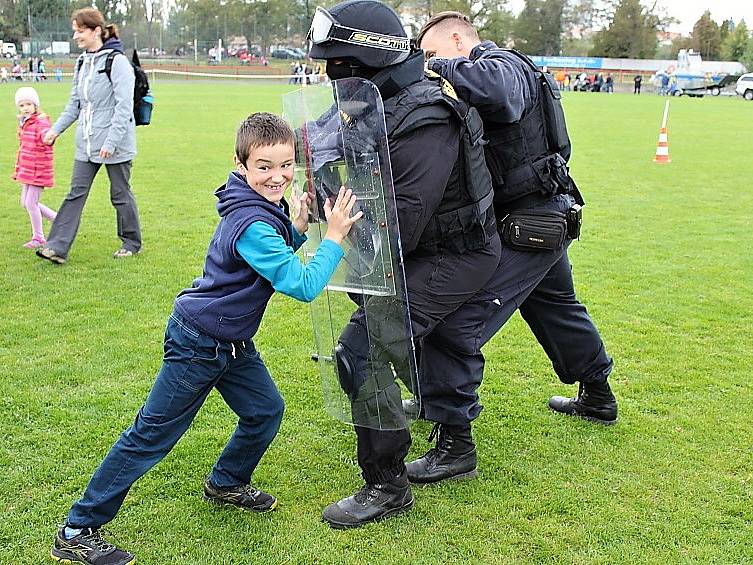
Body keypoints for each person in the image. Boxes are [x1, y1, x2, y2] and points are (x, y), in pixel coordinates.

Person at [50, 112, 363, 565]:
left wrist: (295, 229)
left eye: (286, 164)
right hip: (199, 342)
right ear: (241, 165)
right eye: (264, 166)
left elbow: (269, 257)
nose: (277, 177)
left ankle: (227, 481)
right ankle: (77, 529)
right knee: (150, 435)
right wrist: (332, 236)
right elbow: (302, 284)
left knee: (264, 410)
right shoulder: (251, 220)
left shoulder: (257, 206)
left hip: (232, 343)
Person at [307, 0, 501, 528]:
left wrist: (334, 213)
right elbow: (328, 160)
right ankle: (455, 445)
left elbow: (399, 225)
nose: (331, 77)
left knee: (359, 350)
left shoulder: (425, 119)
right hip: (419, 248)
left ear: (374, 64)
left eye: (340, 66)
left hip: (453, 253)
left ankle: (387, 485)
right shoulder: (374, 105)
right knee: (422, 341)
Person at [410, 12, 617, 484]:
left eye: (433, 54)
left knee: (456, 322)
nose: (430, 65)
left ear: (458, 39)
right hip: (542, 217)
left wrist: (434, 69)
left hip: (531, 222)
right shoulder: (502, 67)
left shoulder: (501, 63)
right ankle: (598, 395)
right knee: (557, 309)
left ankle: (454, 443)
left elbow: (498, 95)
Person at [36, 8, 142, 265]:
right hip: (86, 142)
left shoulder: (117, 62)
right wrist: (55, 130)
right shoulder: (82, 62)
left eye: (80, 31)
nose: (76, 36)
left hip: (114, 142)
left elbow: (123, 107)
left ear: (96, 31)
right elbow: (75, 104)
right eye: (75, 30)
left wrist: (110, 142)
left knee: (120, 194)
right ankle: (56, 247)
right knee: (75, 193)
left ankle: (131, 242)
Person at [13, 86, 57, 248]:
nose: (25, 108)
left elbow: (47, 137)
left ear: (35, 105)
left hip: (39, 169)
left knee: (31, 203)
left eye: (28, 104)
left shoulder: (41, 122)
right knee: (25, 202)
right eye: (22, 105)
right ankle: (59, 220)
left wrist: (49, 137)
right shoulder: (25, 123)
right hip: (28, 168)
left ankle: (38, 237)